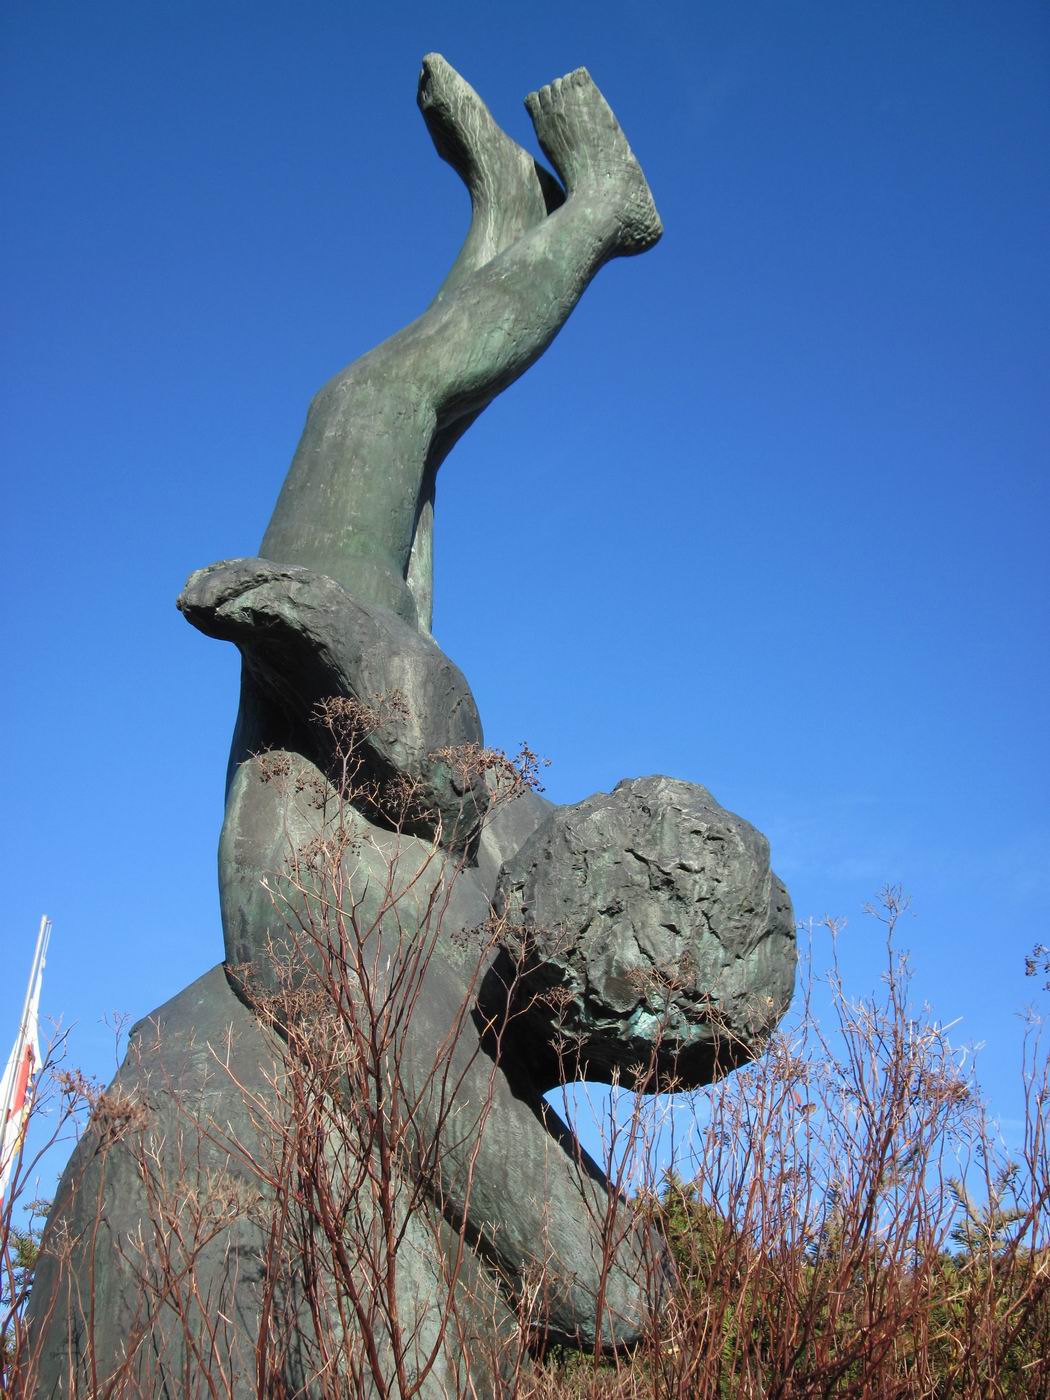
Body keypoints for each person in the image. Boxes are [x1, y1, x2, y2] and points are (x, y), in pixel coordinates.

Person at [260, 54, 662, 632]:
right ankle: (604, 208)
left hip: (346, 649)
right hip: (349, 642)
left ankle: (506, 214)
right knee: (367, 398)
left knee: (408, 438)